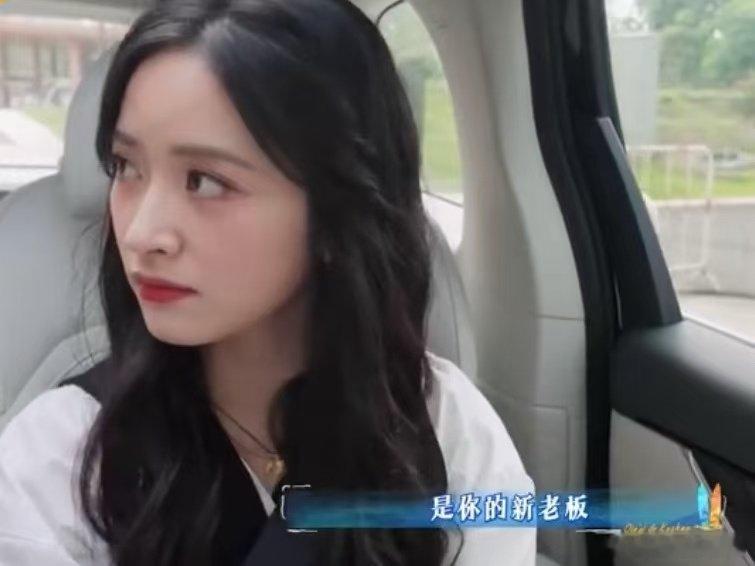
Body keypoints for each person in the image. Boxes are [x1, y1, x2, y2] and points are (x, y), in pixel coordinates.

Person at [0, 0, 536, 564]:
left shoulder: (446, 428)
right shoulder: (60, 460)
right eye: (126, 167)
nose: (140, 234)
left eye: (205, 181)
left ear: (337, 212)